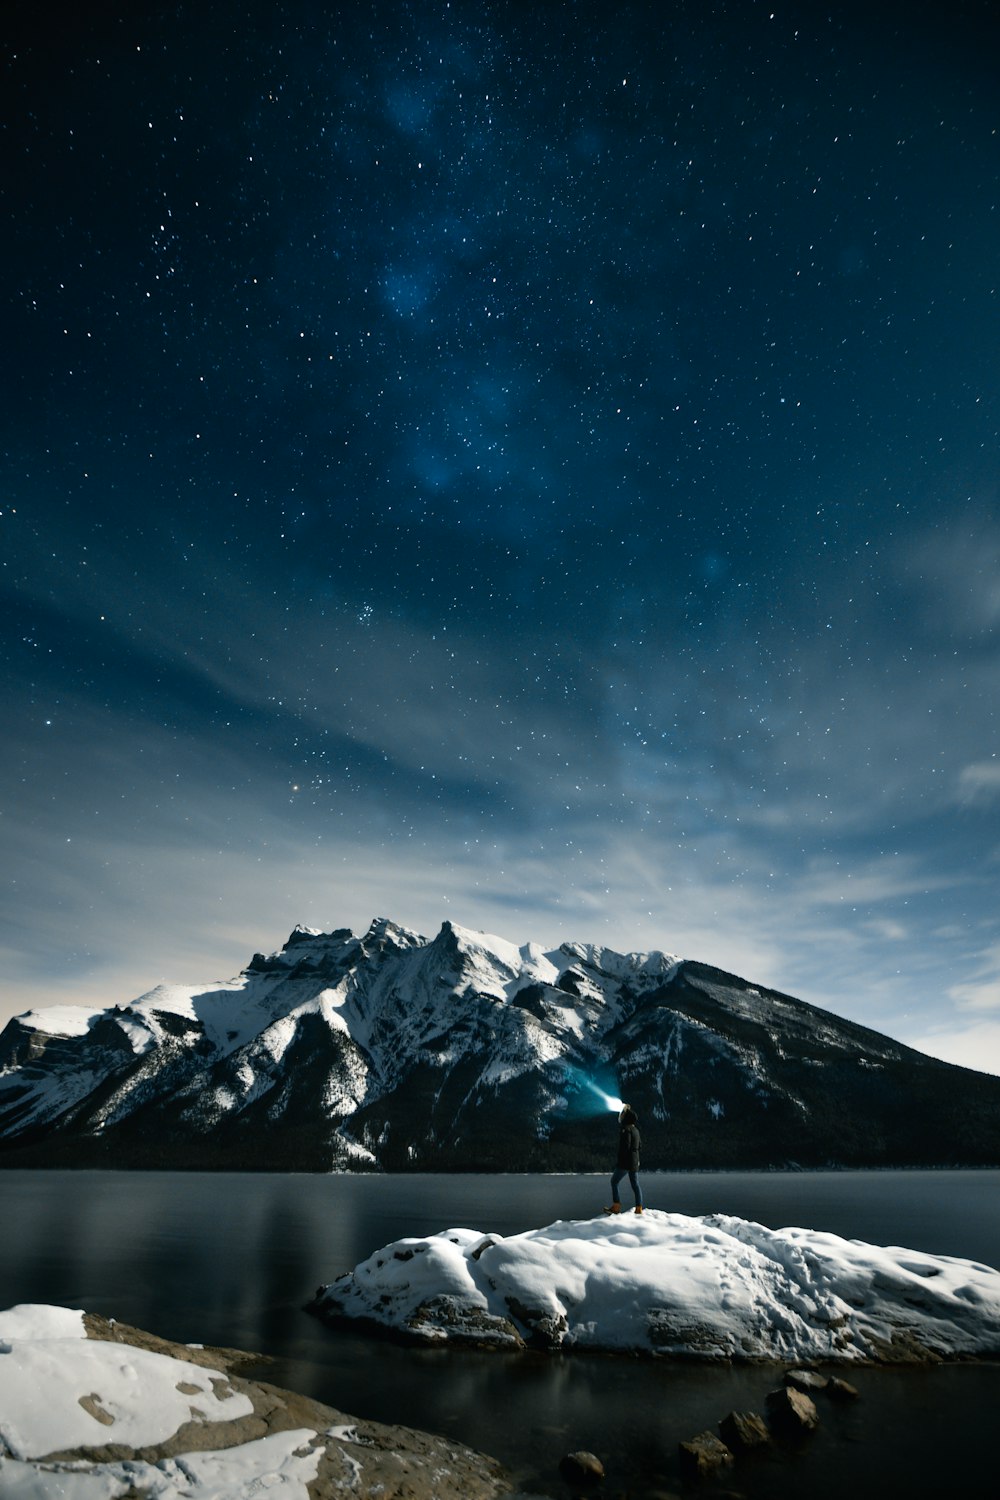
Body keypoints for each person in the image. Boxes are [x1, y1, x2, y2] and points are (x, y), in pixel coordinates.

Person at [604, 1104, 643, 1214]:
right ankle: (639, 1208)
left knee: (614, 1181)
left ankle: (616, 1206)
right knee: (635, 1184)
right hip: (635, 1161)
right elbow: (639, 1146)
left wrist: (620, 1160)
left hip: (625, 1162)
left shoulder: (625, 1129)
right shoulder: (636, 1130)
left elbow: (625, 1146)